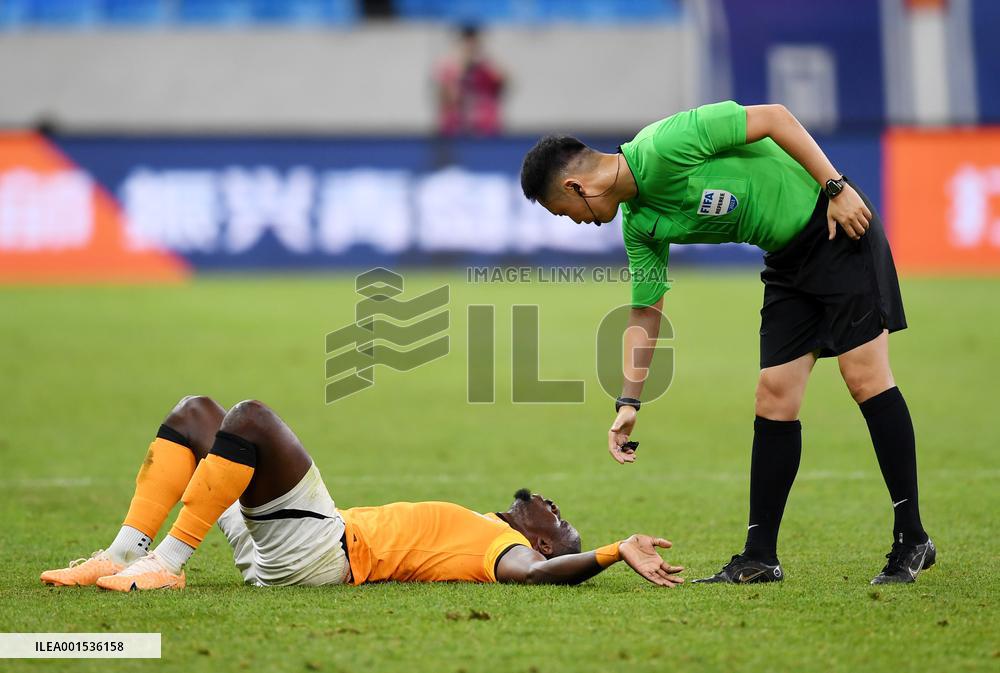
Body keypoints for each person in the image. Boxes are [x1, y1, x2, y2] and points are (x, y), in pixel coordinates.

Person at [519, 101, 935, 585]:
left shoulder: (666, 144)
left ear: (576, 187)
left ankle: (912, 537)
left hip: (837, 225)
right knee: (774, 397)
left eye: (564, 211)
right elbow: (645, 311)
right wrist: (629, 400)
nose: (575, 222)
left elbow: (776, 118)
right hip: (788, 263)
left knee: (863, 377)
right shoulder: (639, 224)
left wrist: (836, 188)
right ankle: (760, 556)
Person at [40, 396, 684, 591]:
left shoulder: (505, 547)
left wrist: (609, 551)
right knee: (195, 415)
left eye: (559, 516)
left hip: (321, 552)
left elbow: (538, 577)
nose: (548, 499)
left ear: (541, 540)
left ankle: (169, 565)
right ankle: (125, 551)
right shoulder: (481, 524)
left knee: (252, 420)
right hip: (293, 543)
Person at [434, 25, 505, 137]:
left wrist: (484, 65)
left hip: (485, 130)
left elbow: (502, 84)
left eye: (474, 43)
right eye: (467, 43)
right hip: (454, 131)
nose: (470, 47)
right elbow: (449, 98)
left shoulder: (486, 67)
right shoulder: (449, 68)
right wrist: (462, 69)